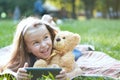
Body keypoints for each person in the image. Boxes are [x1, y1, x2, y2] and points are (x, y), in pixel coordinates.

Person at [1, 15, 82, 80]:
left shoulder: (60, 51)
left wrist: (67, 76)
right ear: (26, 48)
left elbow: (78, 71)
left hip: (58, 48)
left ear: (51, 36)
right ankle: (46, 23)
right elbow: (6, 70)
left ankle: (49, 23)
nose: (43, 45)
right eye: (36, 43)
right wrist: (17, 75)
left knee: (77, 53)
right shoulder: (23, 58)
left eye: (46, 37)